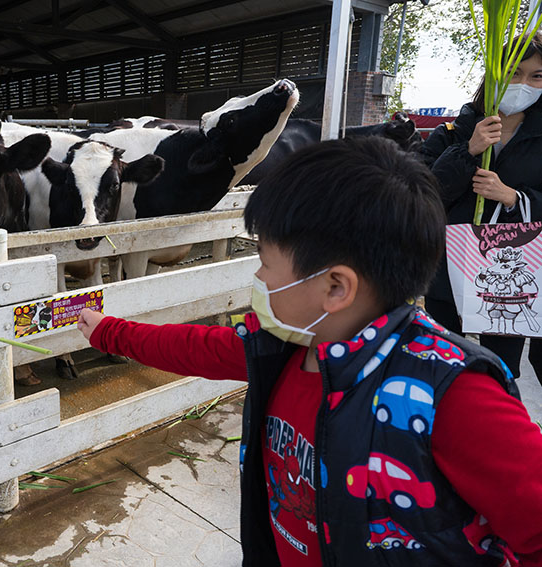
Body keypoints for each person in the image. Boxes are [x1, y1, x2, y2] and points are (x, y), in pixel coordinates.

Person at [76, 137, 542, 567]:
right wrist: (108, 332)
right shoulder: (285, 344)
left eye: (266, 262)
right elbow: (196, 348)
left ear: (335, 287)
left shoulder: (454, 397)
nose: (259, 279)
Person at [420, 32, 542, 384]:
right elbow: (422, 193)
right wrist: (468, 150)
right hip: (448, 270)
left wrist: (513, 197)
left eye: (536, 76)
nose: (522, 84)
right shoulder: (451, 132)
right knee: (442, 361)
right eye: (513, 72)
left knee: (499, 370)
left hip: (512, 275)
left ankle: (496, 426)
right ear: (493, 73)